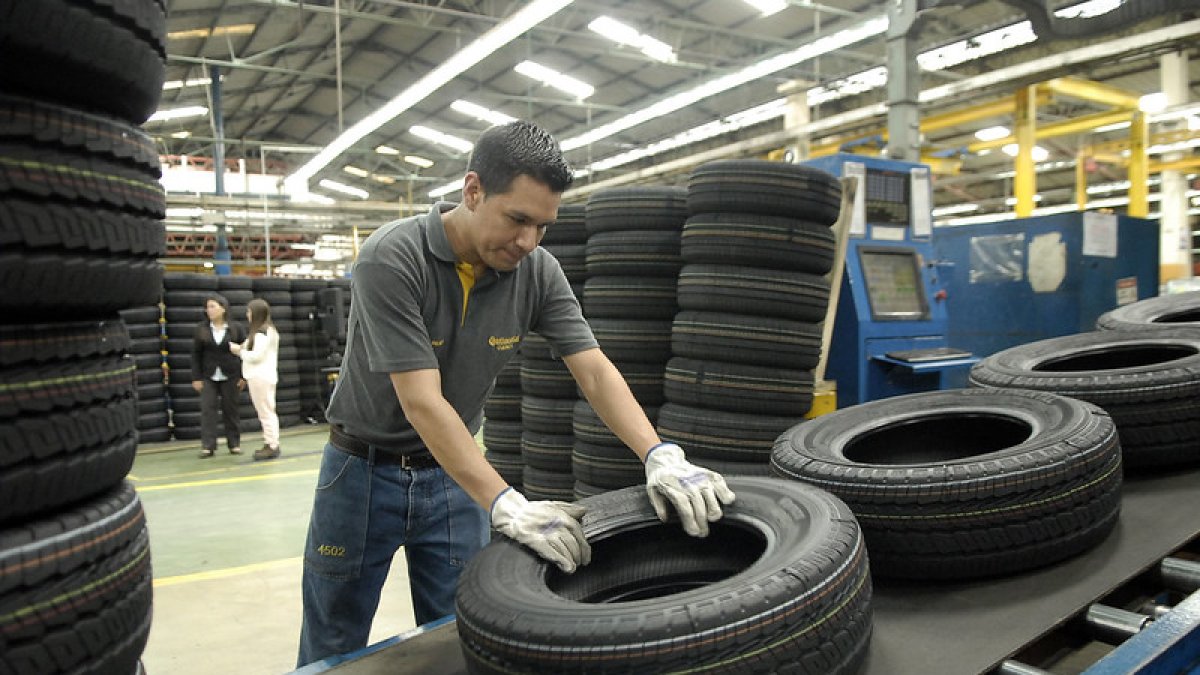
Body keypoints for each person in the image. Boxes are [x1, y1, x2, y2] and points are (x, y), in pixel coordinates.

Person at [296, 120, 735, 667]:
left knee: (461, 631)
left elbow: (594, 370)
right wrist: (505, 502)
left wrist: (658, 454)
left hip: (451, 481)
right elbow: (422, 401)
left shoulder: (538, 272)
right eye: (518, 219)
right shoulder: (393, 257)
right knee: (334, 643)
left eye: (543, 226)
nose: (528, 241)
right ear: (473, 190)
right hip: (361, 476)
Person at [191, 292, 246, 458]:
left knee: (231, 409)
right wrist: (196, 377)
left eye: (213, 306)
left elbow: (244, 353)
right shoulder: (201, 329)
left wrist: (243, 376)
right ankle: (208, 446)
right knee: (208, 410)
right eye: (208, 307)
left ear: (223, 309)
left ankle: (234, 444)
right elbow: (195, 355)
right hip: (209, 376)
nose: (209, 310)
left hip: (231, 375)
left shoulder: (236, 328)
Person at [231, 297, 281, 461]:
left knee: (265, 412)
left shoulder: (260, 334)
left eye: (249, 311)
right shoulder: (269, 331)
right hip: (267, 376)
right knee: (268, 411)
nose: (247, 314)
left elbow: (255, 356)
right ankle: (272, 442)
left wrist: (238, 352)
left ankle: (271, 445)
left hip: (259, 376)